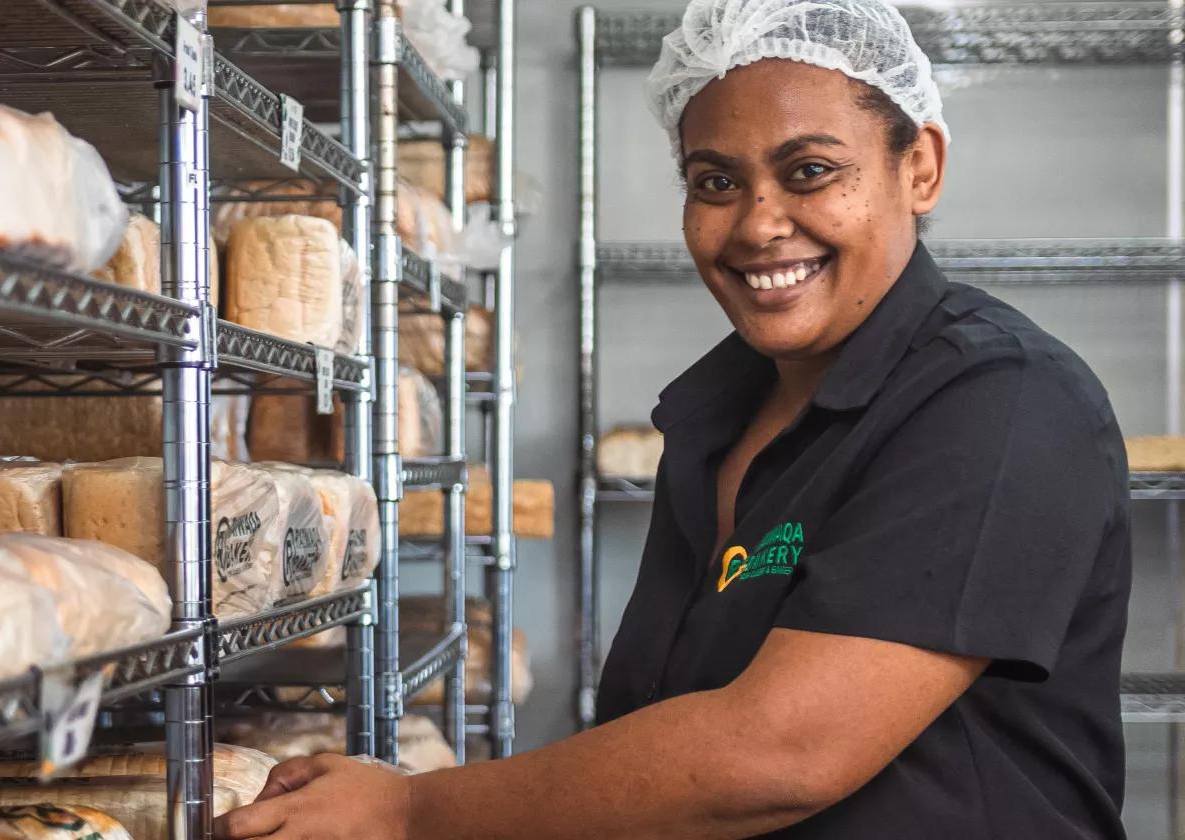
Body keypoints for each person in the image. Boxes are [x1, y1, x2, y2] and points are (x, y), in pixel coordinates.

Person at [213, 0, 1133, 836]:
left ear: (919, 167)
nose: (759, 224)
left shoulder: (1000, 401)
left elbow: (781, 755)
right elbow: (670, 724)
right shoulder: (721, 414)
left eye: (811, 171)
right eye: (716, 182)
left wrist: (415, 811)